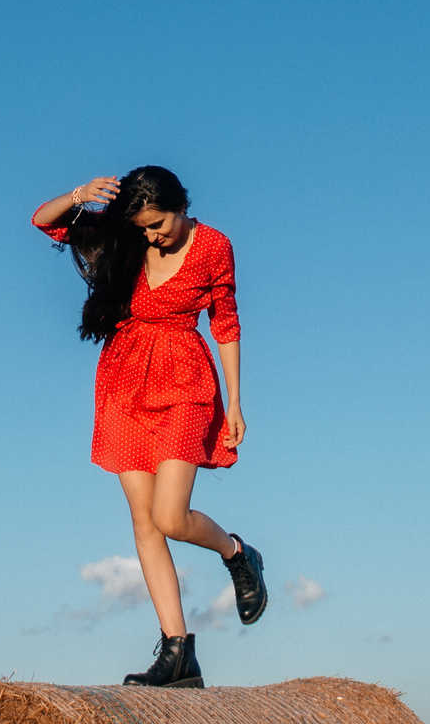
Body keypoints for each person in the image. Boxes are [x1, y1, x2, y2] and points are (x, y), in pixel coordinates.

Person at [32, 165, 268, 690]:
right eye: (141, 228)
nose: (151, 236)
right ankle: (178, 650)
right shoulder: (128, 238)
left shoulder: (213, 247)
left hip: (184, 376)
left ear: (181, 206)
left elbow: (225, 321)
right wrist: (76, 195)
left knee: (169, 514)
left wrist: (235, 403)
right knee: (143, 520)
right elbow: (42, 222)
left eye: (158, 224)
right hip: (124, 379)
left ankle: (237, 553)